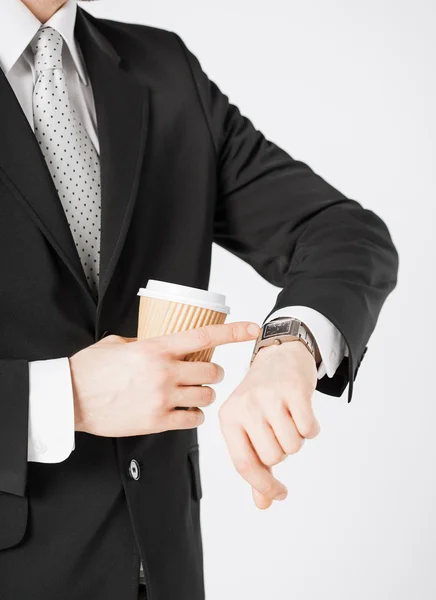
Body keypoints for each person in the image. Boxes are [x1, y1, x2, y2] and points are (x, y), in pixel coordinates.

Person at [0, 0, 398, 598]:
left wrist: (289, 345)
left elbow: (342, 232)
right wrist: (64, 399)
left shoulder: (162, 67)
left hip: (162, 572)